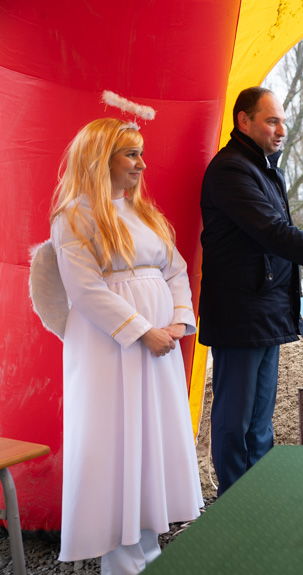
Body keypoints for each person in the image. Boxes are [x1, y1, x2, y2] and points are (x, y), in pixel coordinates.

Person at [199, 87, 303, 495]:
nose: (281, 130)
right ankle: (235, 505)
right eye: (272, 121)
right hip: (240, 315)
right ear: (244, 121)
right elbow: (276, 233)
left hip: (265, 310)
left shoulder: (262, 169)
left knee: (260, 422)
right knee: (236, 421)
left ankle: (259, 497)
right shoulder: (231, 171)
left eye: (283, 122)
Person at [48, 117, 202, 573]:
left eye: (141, 153)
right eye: (131, 154)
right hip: (109, 349)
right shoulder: (73, 217)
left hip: (158, 347)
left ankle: (150, 551)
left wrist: (177, 320)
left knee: (152, 437)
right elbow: (85, 290)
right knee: (116, 439)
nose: (142, 164)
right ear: (101, 159)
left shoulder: (145, 214)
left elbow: (175, 270)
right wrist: (142, 330)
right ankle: (123, 562)